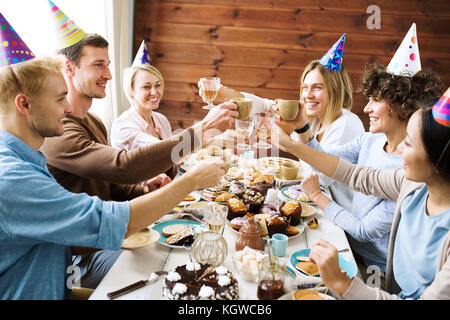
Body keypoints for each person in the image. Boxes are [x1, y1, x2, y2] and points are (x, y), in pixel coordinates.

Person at [0, 54, 225, 300]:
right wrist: (191, 180)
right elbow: (113, 213)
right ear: (24, 104)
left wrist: (145, 191)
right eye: (60, 99)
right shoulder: (13, 178)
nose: (67, 107)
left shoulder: (27, 158)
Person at [40, 33, 238, 289]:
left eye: (108, 65)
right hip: (75, 260)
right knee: (166, 274)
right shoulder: (58, 131)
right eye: (98, 64)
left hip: (106, 239)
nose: (109, 75)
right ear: (69, 67)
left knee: (179, 257)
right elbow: (123, 166)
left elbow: (109, 184)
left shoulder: (93, 121)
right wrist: (199, 133)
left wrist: (143, 189)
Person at [272, 91, 450, 298]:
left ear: (438, 160)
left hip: (377, 275)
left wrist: (342, 282)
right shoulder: (412, 184)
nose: (400, 148)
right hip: (390, 285)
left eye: (409, 142)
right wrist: (293, 144)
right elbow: (352, 173)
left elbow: (363, 230)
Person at [208, 59, 365, 210]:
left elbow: (321, 179)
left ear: (335, 90)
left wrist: (290, 142)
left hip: (341, 216)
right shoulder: (317, 119)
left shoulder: (346, 124)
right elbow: (266, 105)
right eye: (305, 87)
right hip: (315, 202)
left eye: (317, 87)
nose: (308, 95)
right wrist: (229, 94)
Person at [111, 61, 173, 187]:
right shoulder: (122, 126)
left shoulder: (162, 120)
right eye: (146, 87)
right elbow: (162, 148)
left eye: (158, 85)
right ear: (131, 91)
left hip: (168, 190)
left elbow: (174, 161)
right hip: (139, 198)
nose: (155, 92)